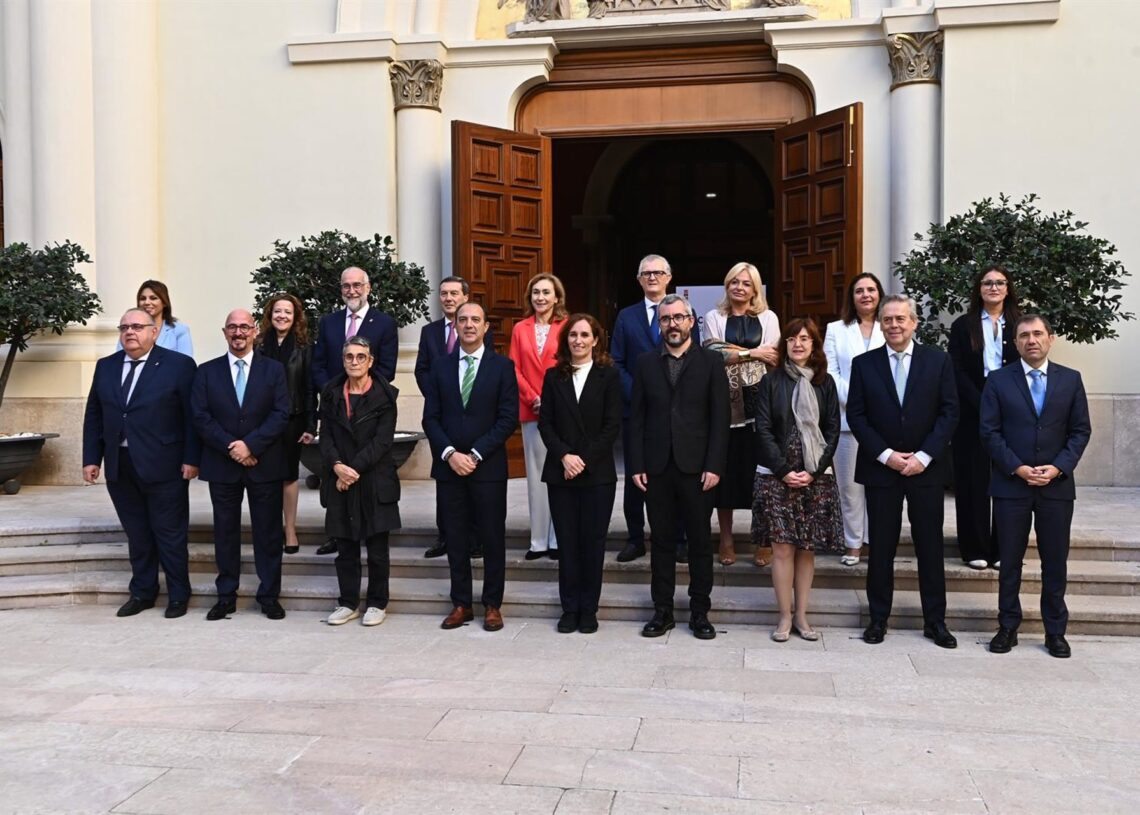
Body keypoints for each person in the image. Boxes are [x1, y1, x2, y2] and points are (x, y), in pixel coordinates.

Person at [847, 295, 960, 649]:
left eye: (901, 319)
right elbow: (857, 415)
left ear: (914, 323)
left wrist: (924, 456)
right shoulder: (864, 364)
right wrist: (886, 455)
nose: (894, 325)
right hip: (882, 470)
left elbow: (949, 412)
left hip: (926, 470)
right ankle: (878, 619)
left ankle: (935, 622)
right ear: (879, 324)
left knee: (930, 547)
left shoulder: (938, 361)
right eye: (888, 320)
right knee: (881, 547)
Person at [980, 314, 1091, 658]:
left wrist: (1058, 467)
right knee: (1009, 561)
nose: (1032, 340)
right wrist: (1018, 467)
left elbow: (1080, 431)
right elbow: (989, 431)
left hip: (1056, 488)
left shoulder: (1071, 380)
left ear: (1050, 338)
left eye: (1038, 334)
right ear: (1014, 343)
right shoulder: (998, 381)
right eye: (1024, 335)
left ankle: (1055, 632)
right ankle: (1007, 627)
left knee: (1054, 562)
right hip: (1011, 485)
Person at [82, 309, 200, 618]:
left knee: (169, 533)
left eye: (136, 327)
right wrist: (91, 458)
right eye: (124, 327)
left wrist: (191, 458)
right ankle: (143, 592)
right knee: (137, 532)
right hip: (120, 464)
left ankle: (178, 594)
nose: (129, 332)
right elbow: (94, 414)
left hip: (165, 464)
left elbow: (192, 417)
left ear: (154, 332)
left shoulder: (178, 366)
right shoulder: (106, 367)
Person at [630, 294, 729, 641]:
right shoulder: (644, 363)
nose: (672, 324)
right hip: (656, 468)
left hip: (698, 468)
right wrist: (637, 463)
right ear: (660, 325)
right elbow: (636, 418)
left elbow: (721, 418)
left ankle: (700, 611)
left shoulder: (712, 362)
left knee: (701, 542)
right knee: (661, 542)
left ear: (692, 321)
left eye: (678, 317)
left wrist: (715, 464)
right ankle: (663, 611)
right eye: (665, 319)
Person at [421, 301, 519, 632]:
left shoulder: (502, 367)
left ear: (486, 326)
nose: (469, 325)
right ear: (456, 326)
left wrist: (475, 454)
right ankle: (461, 603)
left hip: (487, 468)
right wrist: (450, 453)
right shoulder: (440, 367)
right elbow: (430, 418)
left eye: (476, 319)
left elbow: (508, 419)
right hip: (450, 469)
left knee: (492, 538)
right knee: (456, 538)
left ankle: (492, 604)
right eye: (463, 320)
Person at [192, 309, 291, 621]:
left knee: (268, 533)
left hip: (264, 462)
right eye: (232, 327)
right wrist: (231, 447)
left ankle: (269, 595)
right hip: (223, 465)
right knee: (225, 533)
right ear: (224, 333)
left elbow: (281, 413)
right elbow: (200, 416)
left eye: (244, 327)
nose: (238, 333)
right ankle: (226, 596)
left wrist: (251, 445)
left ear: (255, 332)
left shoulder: (274, 370)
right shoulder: (206, 372)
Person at [753, 318, 842, 641]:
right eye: (792, 339)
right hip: (777, 477)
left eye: (805, 339)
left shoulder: (825, 383)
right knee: (781, 549)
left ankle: (803, 616)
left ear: (815, 345)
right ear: (784, 345)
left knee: (806, 548)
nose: (798, 344)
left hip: (814, 477)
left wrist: (813, 470)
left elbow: (832, 429)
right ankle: (784, 617)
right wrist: (783, 470)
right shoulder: (771, 381)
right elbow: (761, 428)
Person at [611, 254, 700, 563]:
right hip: (637, 411)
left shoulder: (685, 312)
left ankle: (678, 539)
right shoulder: (626, 316)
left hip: (676, 414)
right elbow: (617, 361)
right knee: (637, 477)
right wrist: (638, 393)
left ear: (668, 277)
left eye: (658, 272)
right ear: (638, 280)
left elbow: (694, 358)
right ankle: (635, 538)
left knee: (675, 474)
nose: (652, 277)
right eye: (646, 273)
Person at [538, 313, 622, 634]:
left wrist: (582, 459)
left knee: (593, 542)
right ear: (565, 340)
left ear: (596, 340)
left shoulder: (609, 376)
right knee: (568, 542)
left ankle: (589, 608)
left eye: (585, 335)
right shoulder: (552, 376)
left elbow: (612, 425)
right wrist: (564, 456)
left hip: (596, 474)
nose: (578, 341)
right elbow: (545, 423)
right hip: (561, 473)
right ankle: (569, 607)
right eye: (573, 335)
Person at [701, 261, 780, 567]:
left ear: (755, 288)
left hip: (761, 405)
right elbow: (710, 352)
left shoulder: (768, 317)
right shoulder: (714, 316)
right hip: (725, 405)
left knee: (760, 474)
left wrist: (732, 351)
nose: (740, 287)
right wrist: (751, 352)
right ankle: (726, 538)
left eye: (746, 283)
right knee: (727, 475)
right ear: (727, 285)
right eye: (734, 281)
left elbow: (773, 355)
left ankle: (763, 538)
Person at [320, 336, 402, 627]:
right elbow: (326, 436)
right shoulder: (330, 393)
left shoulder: (386, 396)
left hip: (374, 480)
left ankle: (378, 603)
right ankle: (348, 602)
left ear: (371, 361)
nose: (354, 362)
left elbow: (382, 442)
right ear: (343, 360)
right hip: (341, 478)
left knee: (377, 549)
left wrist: (350, 470)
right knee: (345, 548)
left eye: (360, 357)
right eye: (349, 357)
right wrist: (337, 466)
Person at [414, 275, 492, 560]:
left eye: (454, 293)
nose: (448, 298)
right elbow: (421, 369)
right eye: (443, 293)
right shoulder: (429, 332)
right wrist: (440, 395)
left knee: (472, 482)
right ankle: (444, 536)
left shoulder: (478, 329)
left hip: (473, 417)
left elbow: (486, 370)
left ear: (465, 297)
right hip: (442, 418)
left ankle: (474, 538)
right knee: (445, 478)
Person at [948, 265, 1021, 569]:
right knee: (972, 480)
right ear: (979, 289)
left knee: (1008, 479)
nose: (993, 287)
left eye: (999, 282)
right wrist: (982, 403)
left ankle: (1003, 549)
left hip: (1012, 409)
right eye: (987, 283)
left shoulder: (1020, 323)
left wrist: (1006, 405)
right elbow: (957, 369)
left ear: (1008, 288)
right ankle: (975, 548)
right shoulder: (963, 325)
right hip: (972, 409)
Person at [824, 273, 886, 566]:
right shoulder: (836, 329)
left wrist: (878, 403)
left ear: (879, 294)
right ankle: (853, 543)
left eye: (871, 289)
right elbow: (830, 373)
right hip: (848, 419)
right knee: (849, 488)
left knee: (880, 486)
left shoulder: (892, 326)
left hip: (885, 423)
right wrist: (860, 399)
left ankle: (877, 541)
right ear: (852, 297)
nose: (866, 295)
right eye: (859, 290)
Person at [509, 272, 568, 561]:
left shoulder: (568, 326)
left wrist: (552, 401)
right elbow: (514, 368)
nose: (541, 298)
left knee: (559, 475)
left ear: (557, 297)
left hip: (562, 412)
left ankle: (558, 539)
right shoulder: (520, 328)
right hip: (531, 409)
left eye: (546, 292)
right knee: (535, 476)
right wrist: (533, 397)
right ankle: (538, 540)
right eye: (536, 292)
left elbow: (572, 364)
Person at [256, 293, 317, 555]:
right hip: (263, 421)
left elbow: (308, 388)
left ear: (296, 317)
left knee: (289, 476)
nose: (282, 316)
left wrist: (310, 425)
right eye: (277, 311)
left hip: (293, 420)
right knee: (266, 476)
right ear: (270, 315)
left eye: (288, 312)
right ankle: (269, 529)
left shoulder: (305, 347)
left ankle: (290, 529)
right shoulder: (257, 345)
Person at [312, 266, 398, 389]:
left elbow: (387, 370)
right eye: (346, 286)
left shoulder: (385, 323)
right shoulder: (328, 322)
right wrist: (329, 391)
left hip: (369, 402)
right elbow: (318, 365)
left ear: (368, 288)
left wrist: (363, 393)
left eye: (357, 285)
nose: (351, 291)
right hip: (333, 401)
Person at [119, 280, 194, 357]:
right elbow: (121, 358)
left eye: (153, 298)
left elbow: (186, 363)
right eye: (143, 298)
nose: (147, 302)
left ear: (164, 302)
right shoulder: (128, 329)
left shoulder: (179, 330)